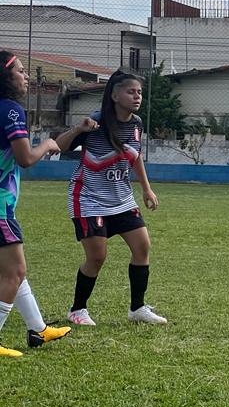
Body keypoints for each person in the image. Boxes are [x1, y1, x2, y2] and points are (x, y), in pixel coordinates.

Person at [55, 71, 165, 325]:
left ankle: (137, 308)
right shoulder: (96, 122)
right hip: (89, 198)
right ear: (115, 95)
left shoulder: (136, 123)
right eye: (130, 91)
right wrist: (78, 129)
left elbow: (134, 157)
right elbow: (59, 146)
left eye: (139, 92)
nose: (137, 96)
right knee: (97, 257)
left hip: (122, 198)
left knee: (142, 247)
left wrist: (146, 189)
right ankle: (77, 309)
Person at [0, 52, 71, 357]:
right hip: (0, 206)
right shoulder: (11, 110)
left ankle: (38, 329)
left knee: (14, 270)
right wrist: (48, 144)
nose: (25, 76)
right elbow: (25, 158)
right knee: (14, 272)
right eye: (20, 71)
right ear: (5, 77)